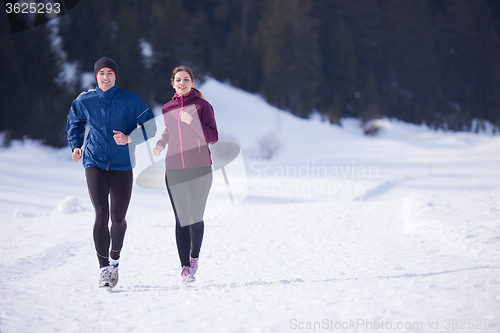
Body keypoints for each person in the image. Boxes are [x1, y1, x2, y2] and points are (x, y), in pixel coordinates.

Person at [67, 56, 156, 288]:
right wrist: (76, 146)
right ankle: (104, 268)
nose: (105, 77)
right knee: (100, 213)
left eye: (109, 73)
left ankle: (115, 259)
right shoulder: (85, 100)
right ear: (95, 76)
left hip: (122, 165)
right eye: (101, 73)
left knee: (118, 219)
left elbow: (151, 126)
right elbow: (74, 122)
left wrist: (130, 138)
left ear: (116, 76)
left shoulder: (131, 100)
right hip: (94, 162)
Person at [153, 66, 218, 284]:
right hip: (174, 169)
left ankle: (194, 256)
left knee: (195, 219)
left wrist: (195, 124)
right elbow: (170, 130)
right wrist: (161, 143)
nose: (182, 83)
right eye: (178, 80)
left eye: (186, 79)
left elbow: (214, 137)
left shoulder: (202, 106)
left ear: (192, 82)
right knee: (181, 219)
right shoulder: (167, 108)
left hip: (200, 169)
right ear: (172, 83)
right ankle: (184, 268)